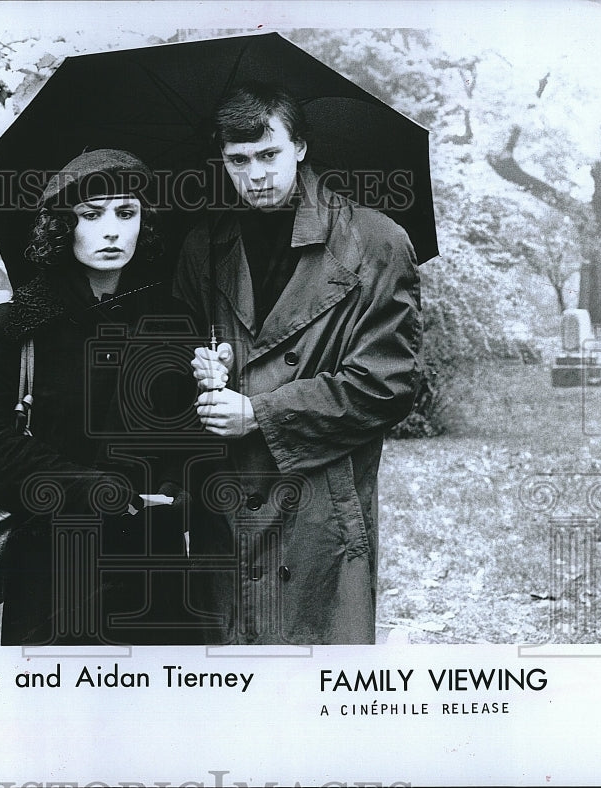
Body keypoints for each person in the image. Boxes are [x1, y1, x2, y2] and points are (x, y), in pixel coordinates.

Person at [173, 82, 423, 644]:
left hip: (320, 507)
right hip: (228, 508)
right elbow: (177, 353)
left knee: (315, 697)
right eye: (238, 161)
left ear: (301, 147)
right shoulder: (202, 246)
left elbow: (388, 384)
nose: (255, 175)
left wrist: (260, 413)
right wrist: (198, 371)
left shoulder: (375, 242)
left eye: (269, 155)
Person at [0, 149, 210, 646]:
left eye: (126, 213)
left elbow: (193, 440)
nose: (111, 230)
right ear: (60, 227)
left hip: (156, 574)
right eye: (91, 215)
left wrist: (182, 493)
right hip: (52, 570)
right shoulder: (15, 326)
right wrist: (92, 489)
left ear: (143, 223)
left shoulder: (176, 323)